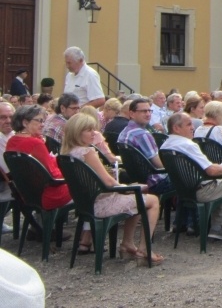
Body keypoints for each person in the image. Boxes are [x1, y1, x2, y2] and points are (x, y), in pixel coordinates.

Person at [61, 114, 163, 264]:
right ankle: (144, 248)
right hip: (101, 203)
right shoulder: (87, 152)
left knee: (136, 199)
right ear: (77, 132)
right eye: (88, 130)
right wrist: (128, 187)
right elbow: (108, 181)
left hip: (85, 203)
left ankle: (128, 243)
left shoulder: (67, 153)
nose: (94, 133)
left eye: (94, 129)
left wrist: (128, 189)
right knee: (152, 200)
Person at [163, 112, 222, 243]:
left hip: (184, 191)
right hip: (202, 190)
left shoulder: (165, 145)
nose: (192, 127)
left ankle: (217, 228)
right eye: (188, 124)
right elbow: (211, 170)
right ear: (176, 128)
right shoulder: (188, 144)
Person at [6, 105, 73, 215]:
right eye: (39, 121)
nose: (43, 124)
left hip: (27, 194)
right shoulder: (35, 143)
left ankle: (42, 227)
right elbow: (53, 175)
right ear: (25, 123)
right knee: (88, 188)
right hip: (47, 195)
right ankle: (87, 230)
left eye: (43, 121)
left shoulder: (12, 140)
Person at [118, 98, 172, 195]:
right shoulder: (142, 134)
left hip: (137, 180)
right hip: (154, 182)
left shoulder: (124, 132)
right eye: (143, 111)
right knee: (187, 180)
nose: (148, 114)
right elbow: (159, 165)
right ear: (132, 114)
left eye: (149, 110)